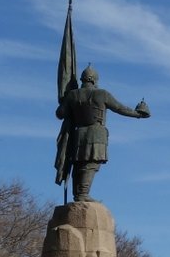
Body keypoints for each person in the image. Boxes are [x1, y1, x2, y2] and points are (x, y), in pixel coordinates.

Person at [56, 65, 150, 201]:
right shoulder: (102, 94)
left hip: (78, 134)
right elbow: (119, 108)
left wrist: (65, 99)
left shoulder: (72, 95)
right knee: (91, 163)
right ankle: (82, 193)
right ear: (93, 80)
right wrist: (138, 114)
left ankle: (78, 194)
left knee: (78, 163)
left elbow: (60, 114)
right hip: (96, 133)